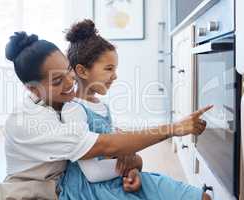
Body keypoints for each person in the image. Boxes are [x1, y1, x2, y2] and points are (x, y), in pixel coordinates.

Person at [0, 31, 212, 200]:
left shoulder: (66, 105)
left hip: (65, 185)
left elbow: (110, 141)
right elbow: (104, 147)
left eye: (67, 71)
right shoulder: (33, 122)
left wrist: (129, 156)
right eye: (57, 81)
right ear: (32, 89)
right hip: (36, 194)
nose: (70, 82)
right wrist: (173, 129)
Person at [58, 19, 211, 200]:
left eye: (115, 69)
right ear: (82, 71)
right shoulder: (73, 110)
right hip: (91, 190)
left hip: (116, 178)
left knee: (202, 197)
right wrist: (132, 164)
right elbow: (94, 173)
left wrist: (132, 168)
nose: (115, 75)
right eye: (108, 69)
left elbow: (116, 150)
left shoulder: (102, 107)